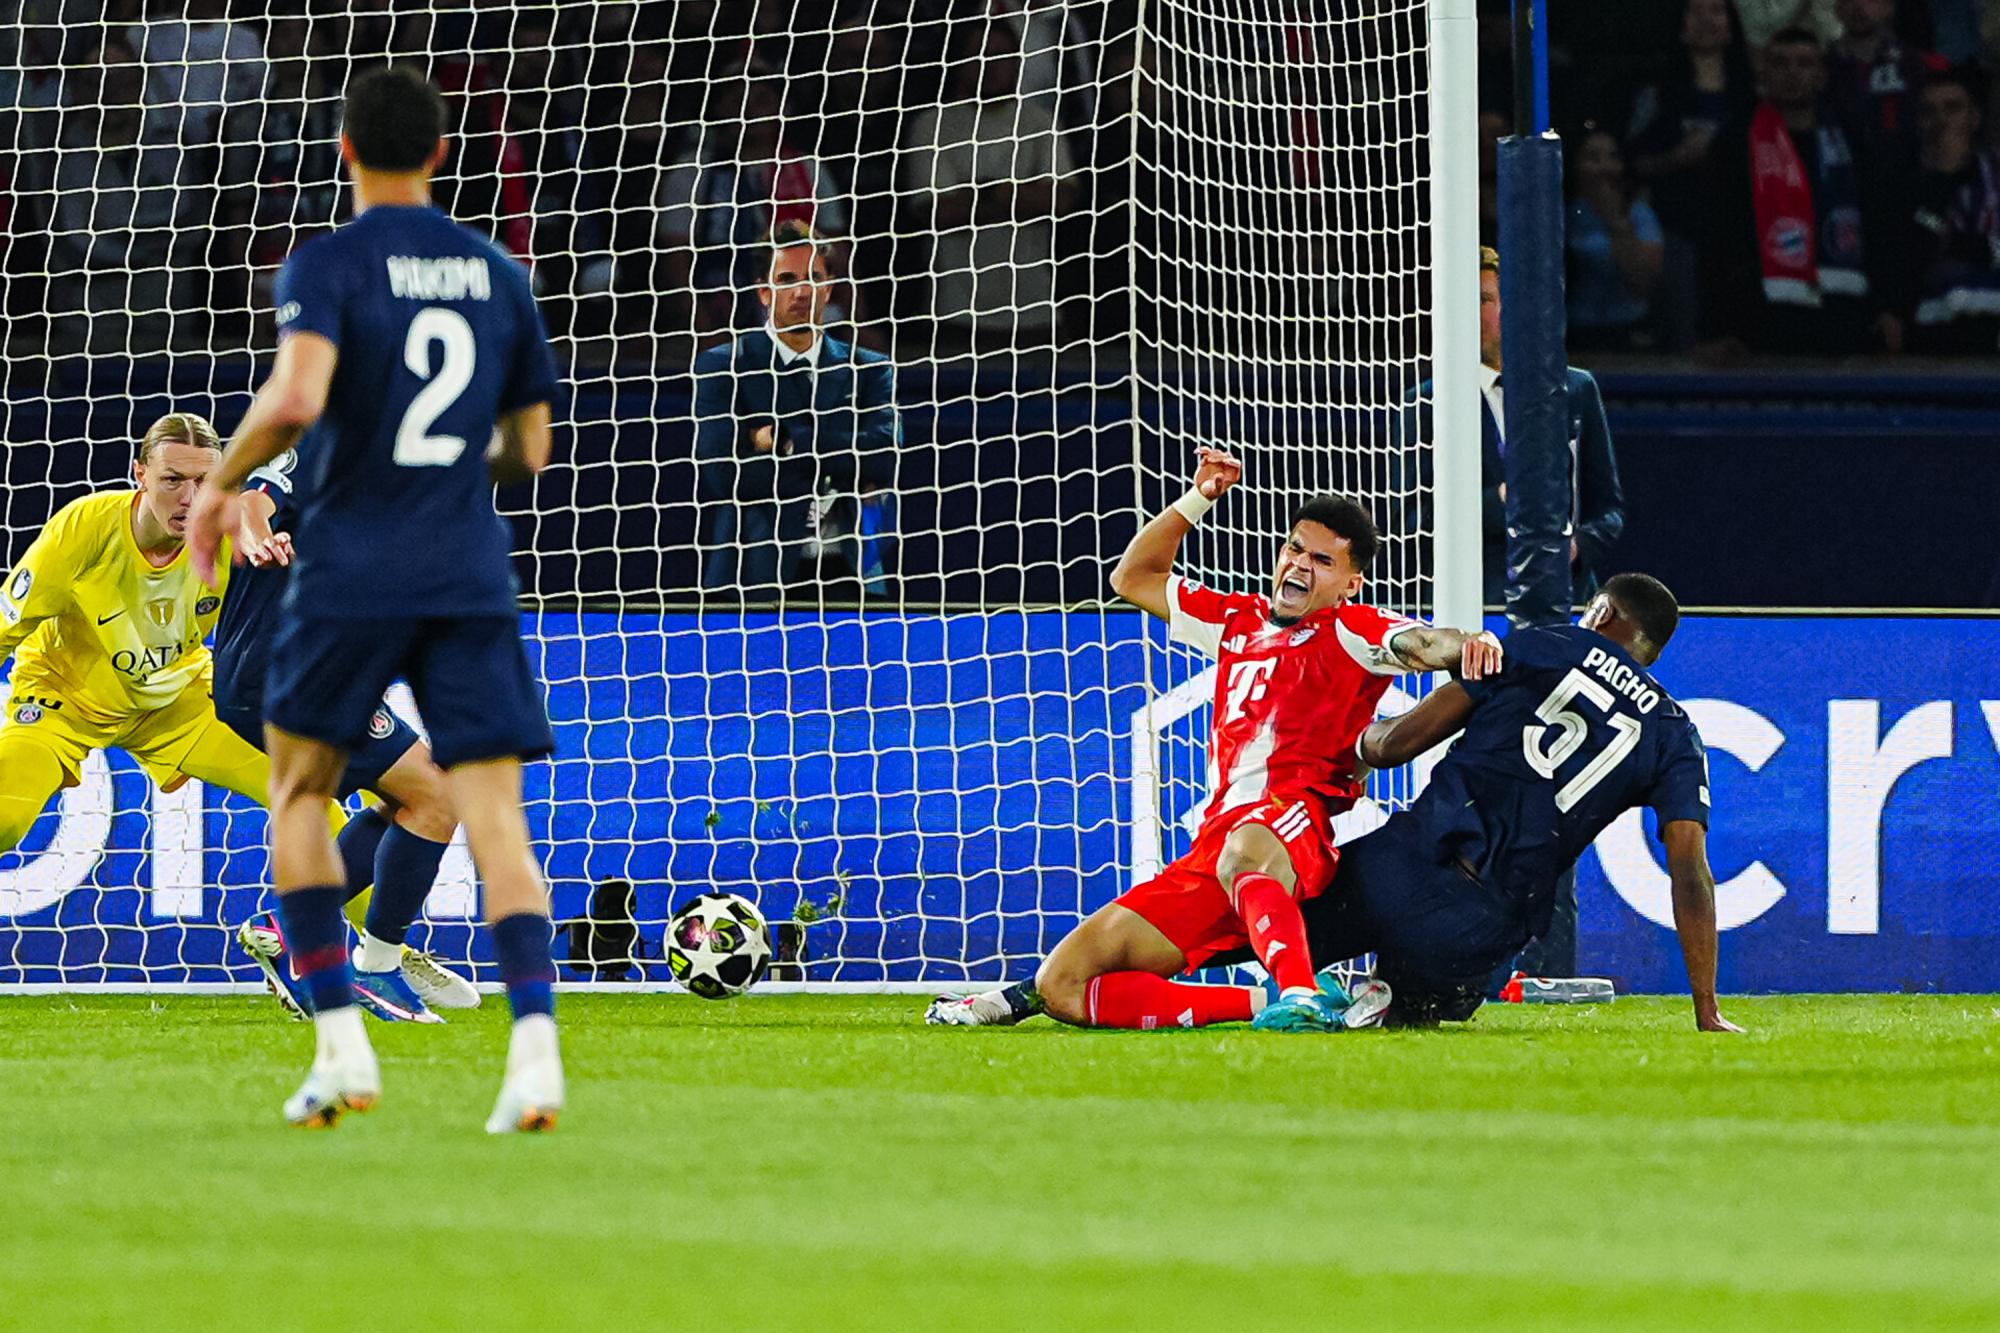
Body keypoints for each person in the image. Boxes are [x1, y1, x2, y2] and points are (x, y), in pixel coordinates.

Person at [186, 66, 564, 1133]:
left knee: (300, 796)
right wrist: (436, 463)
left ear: (344, 152)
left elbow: (298, 396)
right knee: (490, 805)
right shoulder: (496, 272)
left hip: (356, 574)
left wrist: (225, 484)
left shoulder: (332, 264)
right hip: (462, 562)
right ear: (442, 155)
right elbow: (528, 450)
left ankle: (340, 1042)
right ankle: (535, 1053)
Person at [925, 448, 1502, 1033]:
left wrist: (1471, 645)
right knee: (1063, 986)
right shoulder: (1236, 620)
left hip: (1289, 821)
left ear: (1350, 583)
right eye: (1295, 548)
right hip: (1214, 850)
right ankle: (1296, 1002)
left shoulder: (1353, 627)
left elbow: (1426, 643)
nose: (1300, 566)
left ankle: (1296, 992)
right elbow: (1132, 577)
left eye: (1322, 560)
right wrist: (1200, 496)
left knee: (1246, 848)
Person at [1279, 573, 1741, 1035]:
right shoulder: (1675, 733)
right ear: (1653, 653)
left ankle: (1276, 987)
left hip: (1401, 865)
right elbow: (1690, 872)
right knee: (1420, 1006)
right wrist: (1707, 1006)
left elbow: (1396, 746)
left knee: (1258, 935)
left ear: (1601, 613)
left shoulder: (1542, 645)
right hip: (1477, 928)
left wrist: (1352, 741)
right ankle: (1394, 996)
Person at [211, 440, 477, 1024]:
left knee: (413, 796)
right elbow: (256, 501)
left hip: (312, 671)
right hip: (280, 672)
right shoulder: (320, 444)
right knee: (436, 796)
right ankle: (378, 967)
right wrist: (257, 532)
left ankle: (288, 928)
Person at [1402, 247, 1625, 610]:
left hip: (1569, 600)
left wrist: (1575, 546)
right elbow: (1412, 519)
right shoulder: (1427, 403)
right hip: (1471, 608)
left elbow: (1608, 510)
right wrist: (1501, 500)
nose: (1469, 311)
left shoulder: (1577, 389)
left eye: (1482, 299)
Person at [693, 219, 899, 595]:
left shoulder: (870, 369)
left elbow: (884, 460)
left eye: (814, 278)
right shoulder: (724, 367)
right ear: (763, 292)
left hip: (854, 576)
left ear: (830, 288)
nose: (802, 291)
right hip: (755, 578)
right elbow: (726, 477)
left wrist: (785, 441)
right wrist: (846, 460)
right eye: (787, 279)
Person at [1700, 28, 1896, 355]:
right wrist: (1717, 326)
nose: (1793, 73)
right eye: (1781, 63)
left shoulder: (1851, 138)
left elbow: (1879, 224)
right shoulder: (1736, 141)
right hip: (1761, 314)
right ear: (1764, 74)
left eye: (1804, 63)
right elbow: (1717, 235)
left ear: (1821, 75)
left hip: (1844, 313)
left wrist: (1888, 307)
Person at [1625, 0, 1757, 350]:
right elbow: (1634, 162)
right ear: (1681, 26)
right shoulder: (1658, 91)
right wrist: (1677, 158)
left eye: (1716, 11)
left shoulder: (1753, 93)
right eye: (1695, 12)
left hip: (1740, 229)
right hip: (1676, 227)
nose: (1706, 21)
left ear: (1731, 25)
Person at [1896, 69, 2000, 353]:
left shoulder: (1996, 173)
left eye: (1953, 108)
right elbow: (1912, 259)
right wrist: (1943, 178)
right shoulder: (1898, 181)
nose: (1941, 120)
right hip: (1932, 336)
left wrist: (1962, 248)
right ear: (1918, 122)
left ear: (1975, 118)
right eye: (1930, 112)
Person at [1566, 129, 1666, 351]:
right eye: (1593, 158)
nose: (1604, 168)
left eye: (1613, 157)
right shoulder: (1560, 214)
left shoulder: (1640, 214)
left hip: (1628, 331)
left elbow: (1642, 283)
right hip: (1570, 333)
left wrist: (1617, 222)